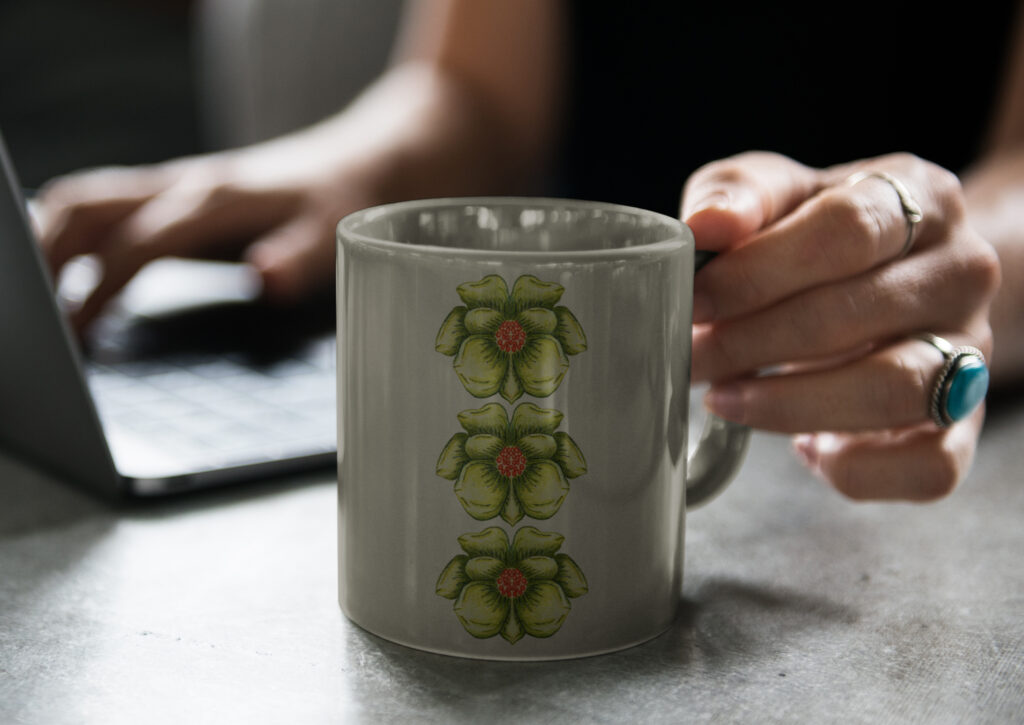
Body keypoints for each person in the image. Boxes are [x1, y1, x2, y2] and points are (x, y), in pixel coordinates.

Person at [32, 0, 1022, 502]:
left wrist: (947, 264)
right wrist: (333, 170)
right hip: (565, 388)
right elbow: (474, 90)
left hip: (904, 453)